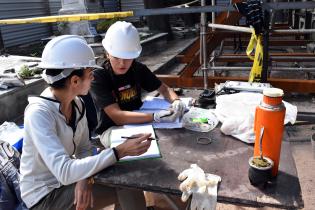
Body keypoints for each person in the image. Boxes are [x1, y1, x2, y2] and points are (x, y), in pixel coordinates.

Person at [20, 35, 151, 210]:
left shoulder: (77, 103)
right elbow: (64, 171)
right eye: (90, 74)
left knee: (127, 183)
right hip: (45, 196)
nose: (93, 79)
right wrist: (120, 151)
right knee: (124, 185)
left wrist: (84, 179)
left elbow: (83, 149)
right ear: (75, 80)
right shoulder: (39, 114)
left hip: (68, 181)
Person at [90, 21, 186, 136]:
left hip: (140, 120)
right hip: (112, 128)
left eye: (127, 57)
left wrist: (176, 101)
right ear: (107, 53)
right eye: (116, 57)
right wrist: (155, 116)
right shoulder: (98, 77)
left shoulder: (138, 69)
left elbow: (164, 89)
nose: (122, 63)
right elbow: (117, 117)